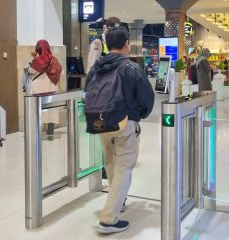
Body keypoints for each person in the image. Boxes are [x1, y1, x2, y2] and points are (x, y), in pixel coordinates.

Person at [85, 26, 154, 234]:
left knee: (111, 163)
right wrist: (138, 116)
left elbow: (87, 91)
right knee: (124, 168)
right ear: (127, 44)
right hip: (124, 123)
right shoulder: (130, 67)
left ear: (107, 44)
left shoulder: (97, 67)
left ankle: (118, 201)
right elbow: (147, 98)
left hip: (100, 123)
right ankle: (108, 219)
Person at [28, 40, 62, 140]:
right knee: (51, 111)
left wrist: (33, 60)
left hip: (38, 89)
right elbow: (62, 72)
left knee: (38, 111)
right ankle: (50, 133)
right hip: (51, 88)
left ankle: (38, 134)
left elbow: (31, 71)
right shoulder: (54, 60)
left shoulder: (37, 60)